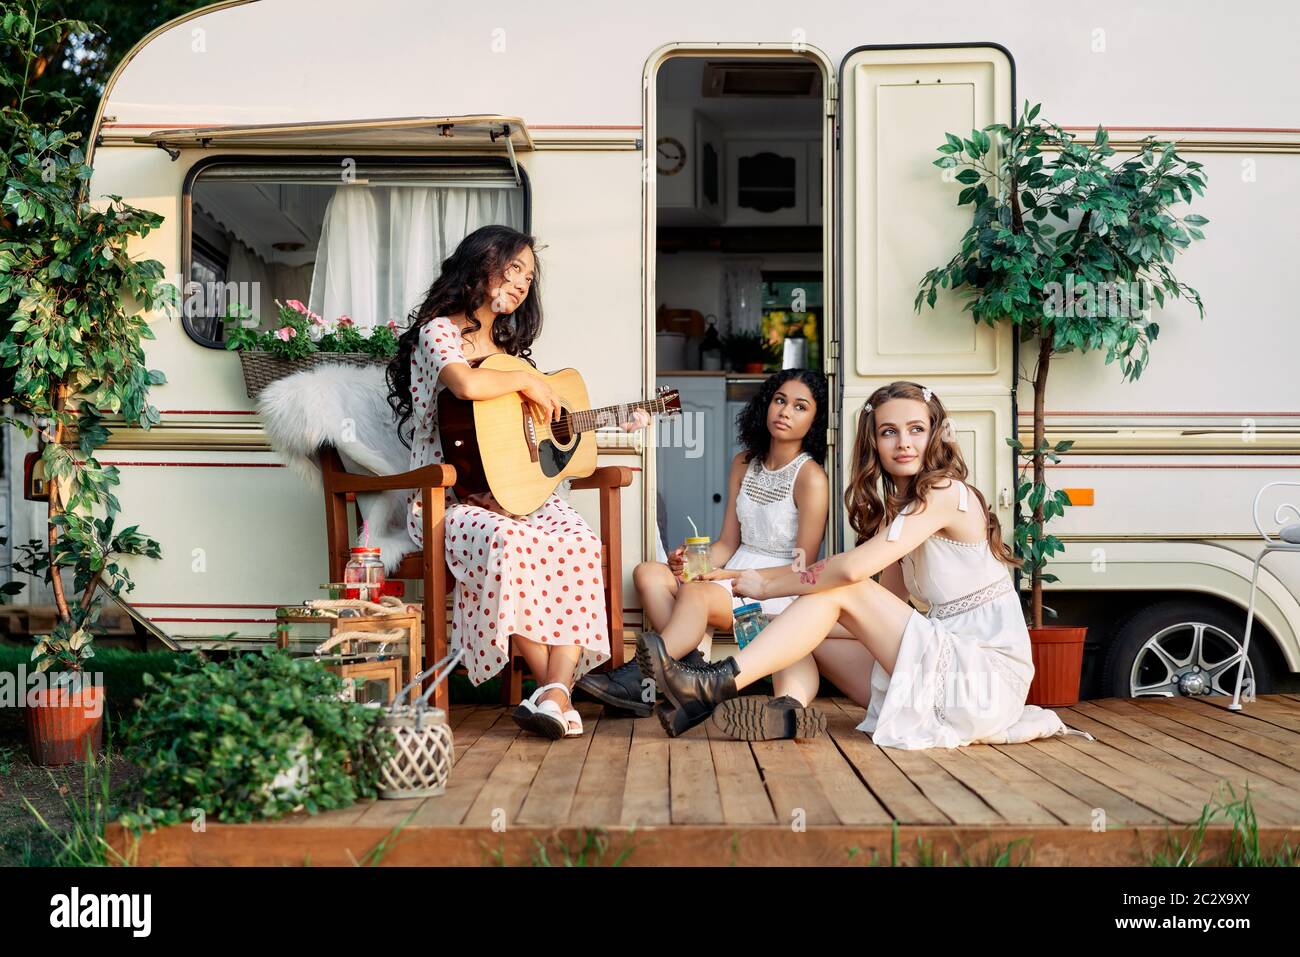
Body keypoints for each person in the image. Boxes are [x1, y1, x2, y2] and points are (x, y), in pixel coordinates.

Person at [637, 380, 1094, 747]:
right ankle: (780, 712)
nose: (904, 442)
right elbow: (888, 604)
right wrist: (755, 588)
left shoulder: (944, 494)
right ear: (873, 441)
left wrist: (761, 586)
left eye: (917, 429)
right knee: (806, 624)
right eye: (889, 431)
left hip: (981, 680)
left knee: (837, 587)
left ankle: (716, 682)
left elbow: (852, 575)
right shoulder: (899, 507)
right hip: (935, 662)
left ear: (935, 433)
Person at [386, 225, 649, 740]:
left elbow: (536, 432)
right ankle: (557, 692)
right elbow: (464, 383)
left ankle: (554, 694)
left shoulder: (507, 349)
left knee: (577, 542)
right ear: (481, 264)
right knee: (512, 542)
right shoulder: (440, 332)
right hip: (450, 501)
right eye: (515, 269)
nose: (524, 283)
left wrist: (614, 419)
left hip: (514, 497)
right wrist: (530, 380)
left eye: (529, 276)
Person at [578, 369, 876, 736]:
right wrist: (689, 558)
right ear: (767, 403)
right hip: (733, 570)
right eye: (780, 400)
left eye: (800, 407)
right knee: (649, 573)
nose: (785, 411)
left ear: (814, 420)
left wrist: (731, 578)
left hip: (777, 589)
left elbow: (803, 567)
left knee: (696, 592)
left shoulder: (811, 477)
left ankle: (639, 679)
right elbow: (727, 544)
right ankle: (692, 674)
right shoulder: (743, 462)